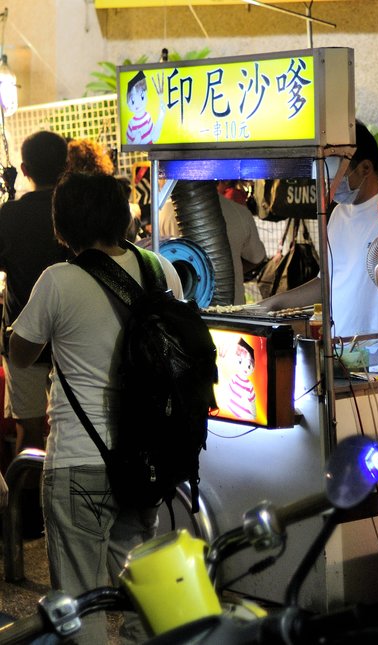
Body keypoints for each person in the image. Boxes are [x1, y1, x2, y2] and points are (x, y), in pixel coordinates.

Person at [9, 171, 183, 644]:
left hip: (78, 460)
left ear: (62, 226)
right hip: (144, 456)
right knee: (145, 592)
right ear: (122, 216)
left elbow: (20, 353)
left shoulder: (58, 281)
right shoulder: (159, 270)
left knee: (81, 600)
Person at [257, 121, 378, 340]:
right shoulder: (338, 214)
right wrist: (273, 303)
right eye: (325, 177)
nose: (328, 184)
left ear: (365, 168)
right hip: (341, 345)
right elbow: (326, 282)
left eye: (336, 176)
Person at [0, 130, 69, 457]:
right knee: (68, 425)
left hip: (21, 334)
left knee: (28, 431)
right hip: (70, 334)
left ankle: (27, 488)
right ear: (66, 166)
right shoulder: (77, 211)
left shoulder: (10, 215)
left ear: (25, 169)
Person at [160, 181, 267, 305]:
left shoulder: (164, 212)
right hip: (232, 307)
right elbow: (256, 258)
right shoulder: (240, 212)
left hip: (180, 308)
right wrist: (229, 269)